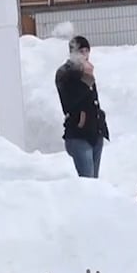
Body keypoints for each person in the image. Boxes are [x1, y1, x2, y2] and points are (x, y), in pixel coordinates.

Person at [54, 36, 109, 178]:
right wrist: (86, 78)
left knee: (95, 181)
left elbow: (92, 100)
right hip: (78, 134)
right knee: (88, 181)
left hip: (95, 132)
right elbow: (71, 101)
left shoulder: (86, 71)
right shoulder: (65, 73)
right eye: (81, 51)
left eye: (87, 51)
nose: (85, 54)